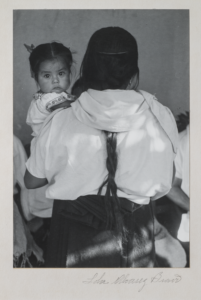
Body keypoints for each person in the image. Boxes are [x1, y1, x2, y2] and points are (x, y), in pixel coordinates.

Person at [24, 27, 178, 268]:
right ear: (132, 69)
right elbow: (165, 181)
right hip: (136, 235)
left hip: (73, 239)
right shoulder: (159, 116)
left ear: (88, 66)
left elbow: (32, 181)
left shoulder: (61, 118)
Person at [25, 42, 76, 138]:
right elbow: (75, 110)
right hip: (51, 146)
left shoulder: (49, 95)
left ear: (69, 71)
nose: (55, 80)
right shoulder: (49, 98)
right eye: (47, 75)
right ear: (34, 74)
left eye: (61, 73)